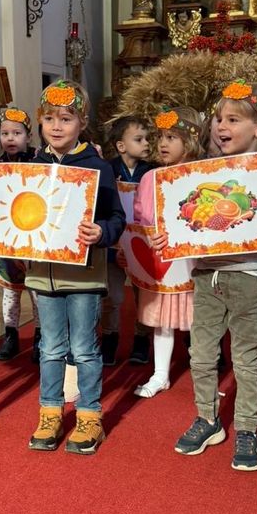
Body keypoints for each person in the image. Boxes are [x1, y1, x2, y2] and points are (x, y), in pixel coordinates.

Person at [0, 80, 125, 454]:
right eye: (49, 119)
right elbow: (14, 211)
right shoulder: (31, 168)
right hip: (43, 276)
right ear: (40, 122)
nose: (56, 126)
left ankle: (89, 415)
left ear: (82, 122)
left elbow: (116, 218)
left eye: (66, 118)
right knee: (50, 348)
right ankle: (51, 412)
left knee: (84, 348)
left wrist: (102, 232)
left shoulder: (98, 167)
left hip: (84, 276)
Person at [171, 81, 257, 471]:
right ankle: (207, 419)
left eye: (232, 119)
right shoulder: (202, 174)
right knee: (201, 355)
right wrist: (171, 234)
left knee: (246, 359)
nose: (220, 126)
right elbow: (185, 218)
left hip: (251, 275)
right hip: (207, 274)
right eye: (218, 119)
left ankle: (247, 427)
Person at [133, 107, 202, 398]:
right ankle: (160, 373)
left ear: (190, 140)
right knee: (163, 320)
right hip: (161, 261)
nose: (162, 143)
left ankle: (205, 376)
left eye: (171, 137)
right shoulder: (150, 178)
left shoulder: (201, 176)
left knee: (201, 319)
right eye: (160, 137)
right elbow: (141, 216)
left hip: (193, 261)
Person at [101, 115, 153, 367]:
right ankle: (109, 338)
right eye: (139, 139)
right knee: (112, 297)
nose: (146, 144)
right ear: (121, 146)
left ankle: (142, 340)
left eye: (147, 139)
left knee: (144, 296)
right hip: (114, 243)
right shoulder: (107, 170)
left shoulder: (151, 171)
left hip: (143, 244)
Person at [0, 106, 41, 363]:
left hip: (32, 235)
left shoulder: (39, 161)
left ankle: (40, 337)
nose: (10, 138)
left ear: (28, 136)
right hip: (7, 237)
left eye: (17, 133)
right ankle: (10, 335)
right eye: (5, 133)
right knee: (10, 291)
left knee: (37, 291)